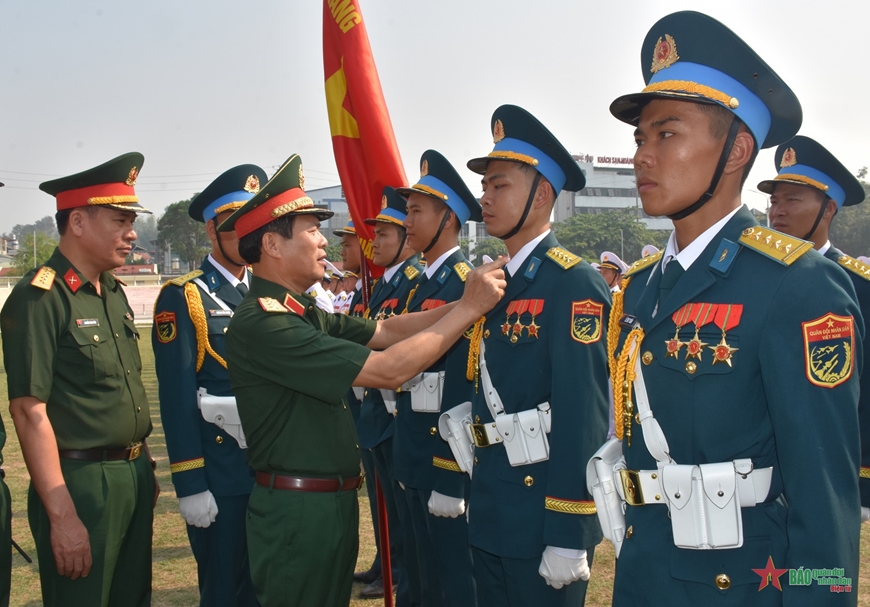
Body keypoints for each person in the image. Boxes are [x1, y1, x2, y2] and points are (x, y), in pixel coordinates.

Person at [602, 11, 861, 604]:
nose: (643, 155)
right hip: (645, 576)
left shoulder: (797, 286)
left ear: (738, 149)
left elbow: (824, 502)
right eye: (639, 138)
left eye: (667, 134)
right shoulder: (641, 287)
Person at [217, 153, 507, 607]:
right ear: (272, 245)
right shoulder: (267, 324)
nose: (323, 243)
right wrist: (469, 309)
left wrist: (469, 300)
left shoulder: (300, 312)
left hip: (323, 503)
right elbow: (389, 369)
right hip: (297, 512)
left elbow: (387, 330)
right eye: (311, 231)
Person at [463, 104, 611, 607]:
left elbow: (582, 412)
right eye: (485, 187)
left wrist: (570, 529)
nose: (485, 198)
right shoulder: (495, 280)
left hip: (540, 512)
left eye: (499, 185)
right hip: (491, 505)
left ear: (542, 193)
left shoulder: (573, 282)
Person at [1, 152, 157, 606]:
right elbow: (28, 411)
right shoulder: (40, 299)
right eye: (119, 220)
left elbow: (122, 388)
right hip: (80, 483)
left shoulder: (112, 293)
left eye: (132, 220)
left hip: (132, 474)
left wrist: (142, 460)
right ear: (78, 223)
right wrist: (62, 515)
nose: (131, 233)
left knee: (132, 598)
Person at [152, 164, 266, 607]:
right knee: (224, 589)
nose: (246, 233)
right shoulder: (184, 296)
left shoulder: (267, 291)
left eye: (253, 221)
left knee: (263, 586)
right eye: (234, 223)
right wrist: (190, 484)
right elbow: (176, 395)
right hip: (219, 475)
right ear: (211, 231)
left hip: (268, 471)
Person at [758, 136, 870, 520]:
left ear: (828, 208)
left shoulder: (859, 286)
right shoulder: (756, 277)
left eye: (792, 200)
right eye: (774, 201)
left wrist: (863, 476)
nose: (778, 212)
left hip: (830, 463)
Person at [394, 150, 481, 607]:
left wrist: (449, 476)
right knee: (421, 574)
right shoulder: (417, 284)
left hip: (442, 458)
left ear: (447, 218)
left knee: (452, 583)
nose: (407, 221)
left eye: (415, 211)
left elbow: (462, 386)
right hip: (411, 451)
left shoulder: (465, 284)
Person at [357, 186, 425, 601]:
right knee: (386, 505)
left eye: (384, 234)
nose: (374, 242)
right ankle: (388, 563)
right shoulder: (386, 285)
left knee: (405, 514)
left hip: (398, 413)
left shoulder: (414, 283)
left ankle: (396, 569)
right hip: (376, 414)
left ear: (405, 237)